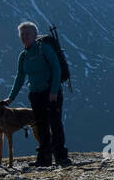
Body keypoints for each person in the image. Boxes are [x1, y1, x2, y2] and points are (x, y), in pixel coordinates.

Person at [4, 20, 70, 167]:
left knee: (55, 123)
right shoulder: (23, 56)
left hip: (51, 93)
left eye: (27, 34)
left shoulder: (44, 49)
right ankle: (44, 159)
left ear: (35, 35)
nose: (24, 36)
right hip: (35, 94)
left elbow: (56, 69)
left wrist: (53, 91)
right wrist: (11, 98)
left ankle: (61, 157)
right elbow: (20, 77)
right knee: (41, 126)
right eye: (22, 34)